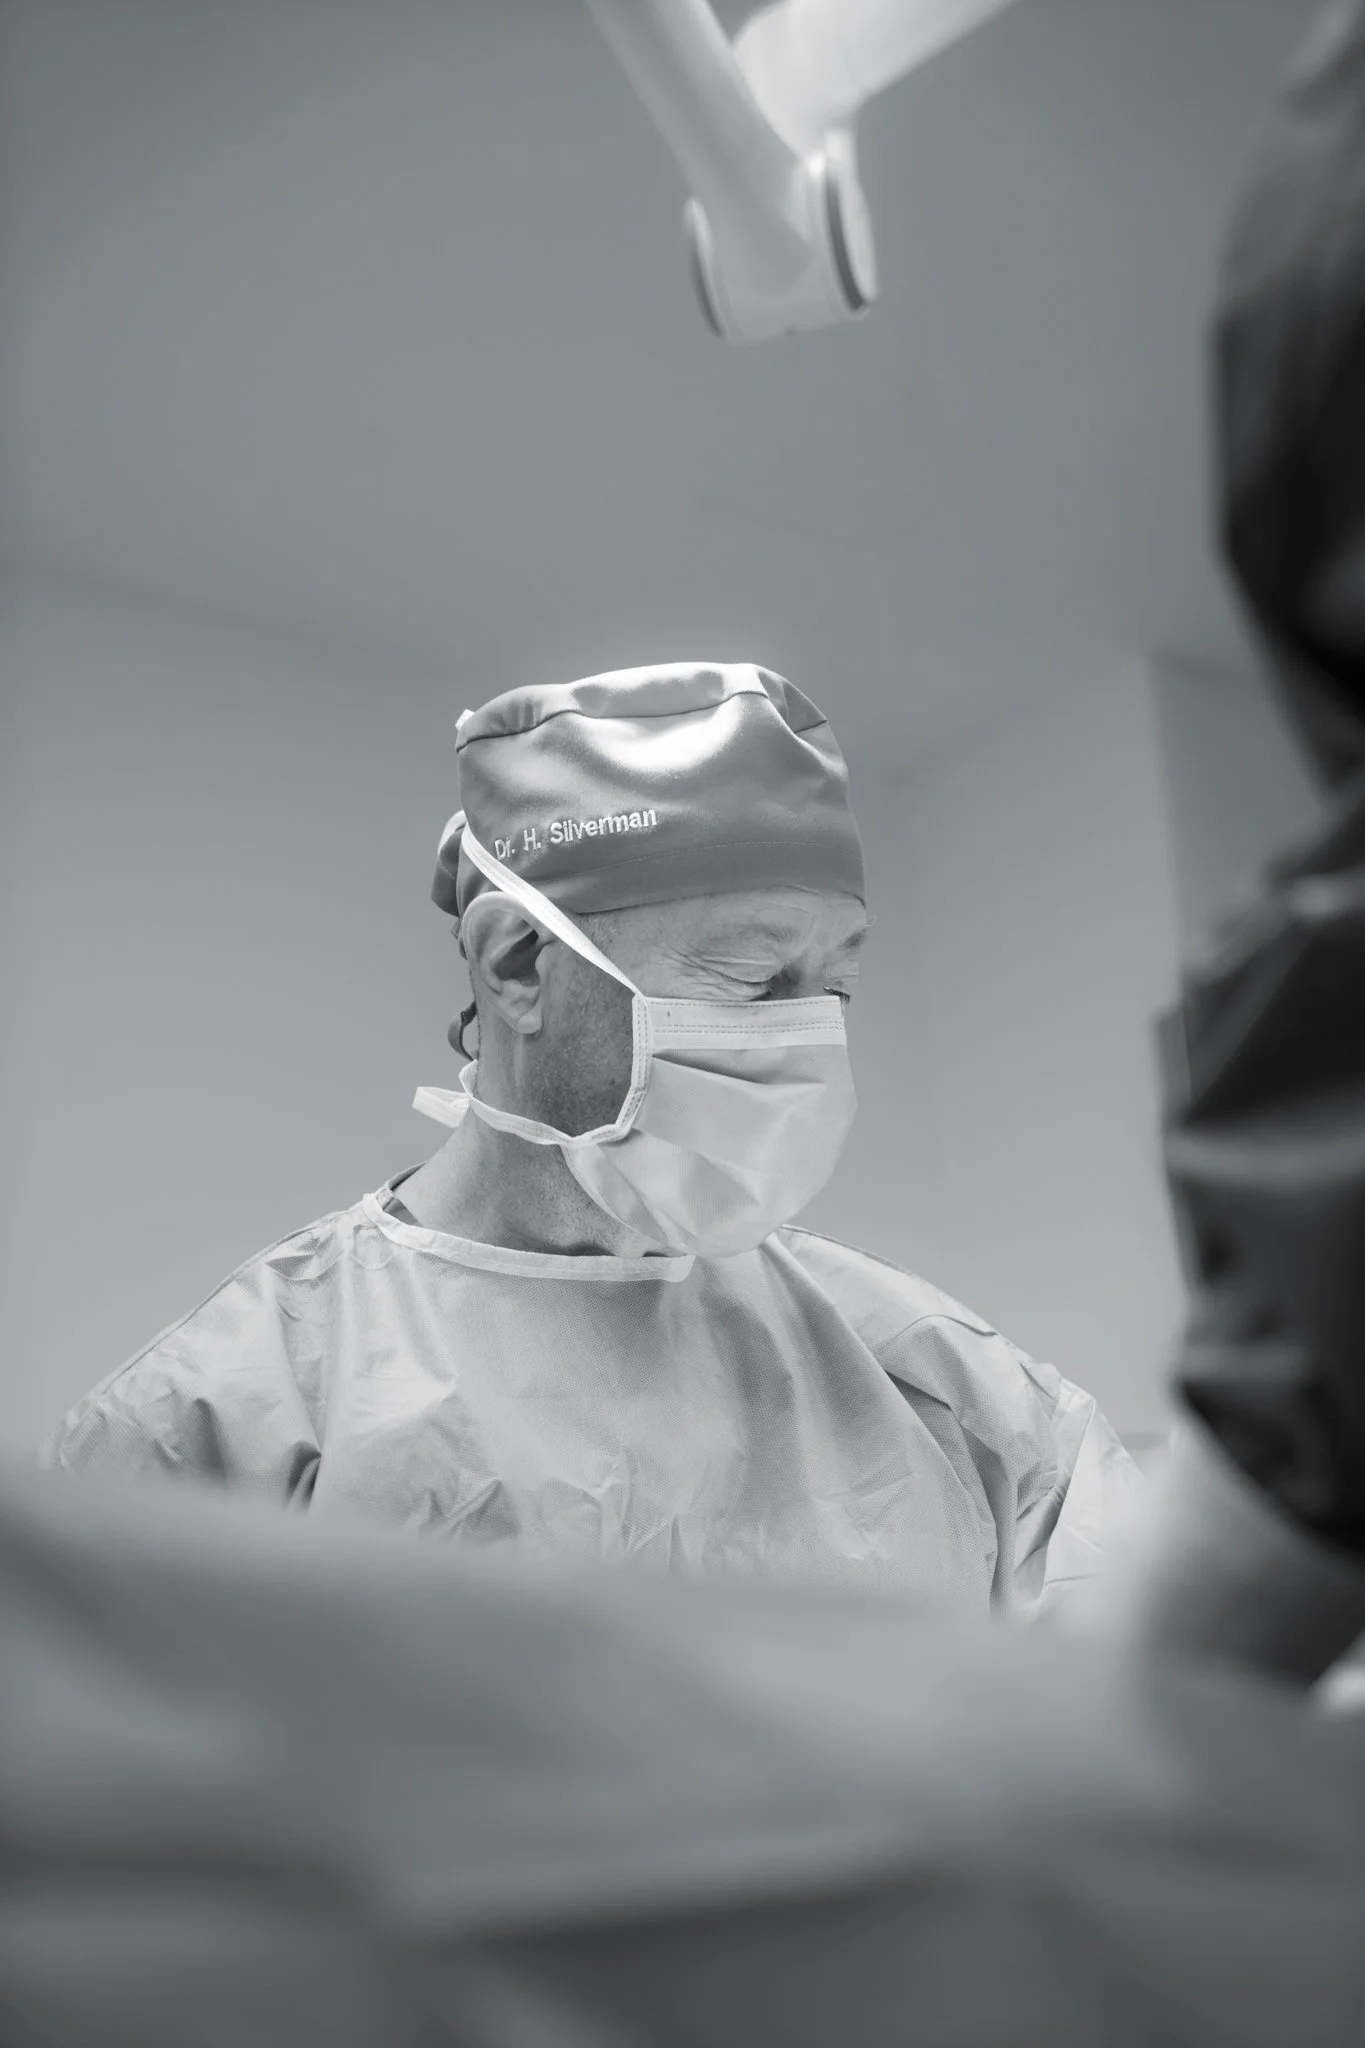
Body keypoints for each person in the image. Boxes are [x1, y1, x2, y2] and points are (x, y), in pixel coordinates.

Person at [40, 662, 1135, 1615]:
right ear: (520, 963)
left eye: (835, 981)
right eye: (755, 978)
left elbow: (1151, 1712)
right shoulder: (233, 1418)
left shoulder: (939, 1386)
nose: (810, 1035)